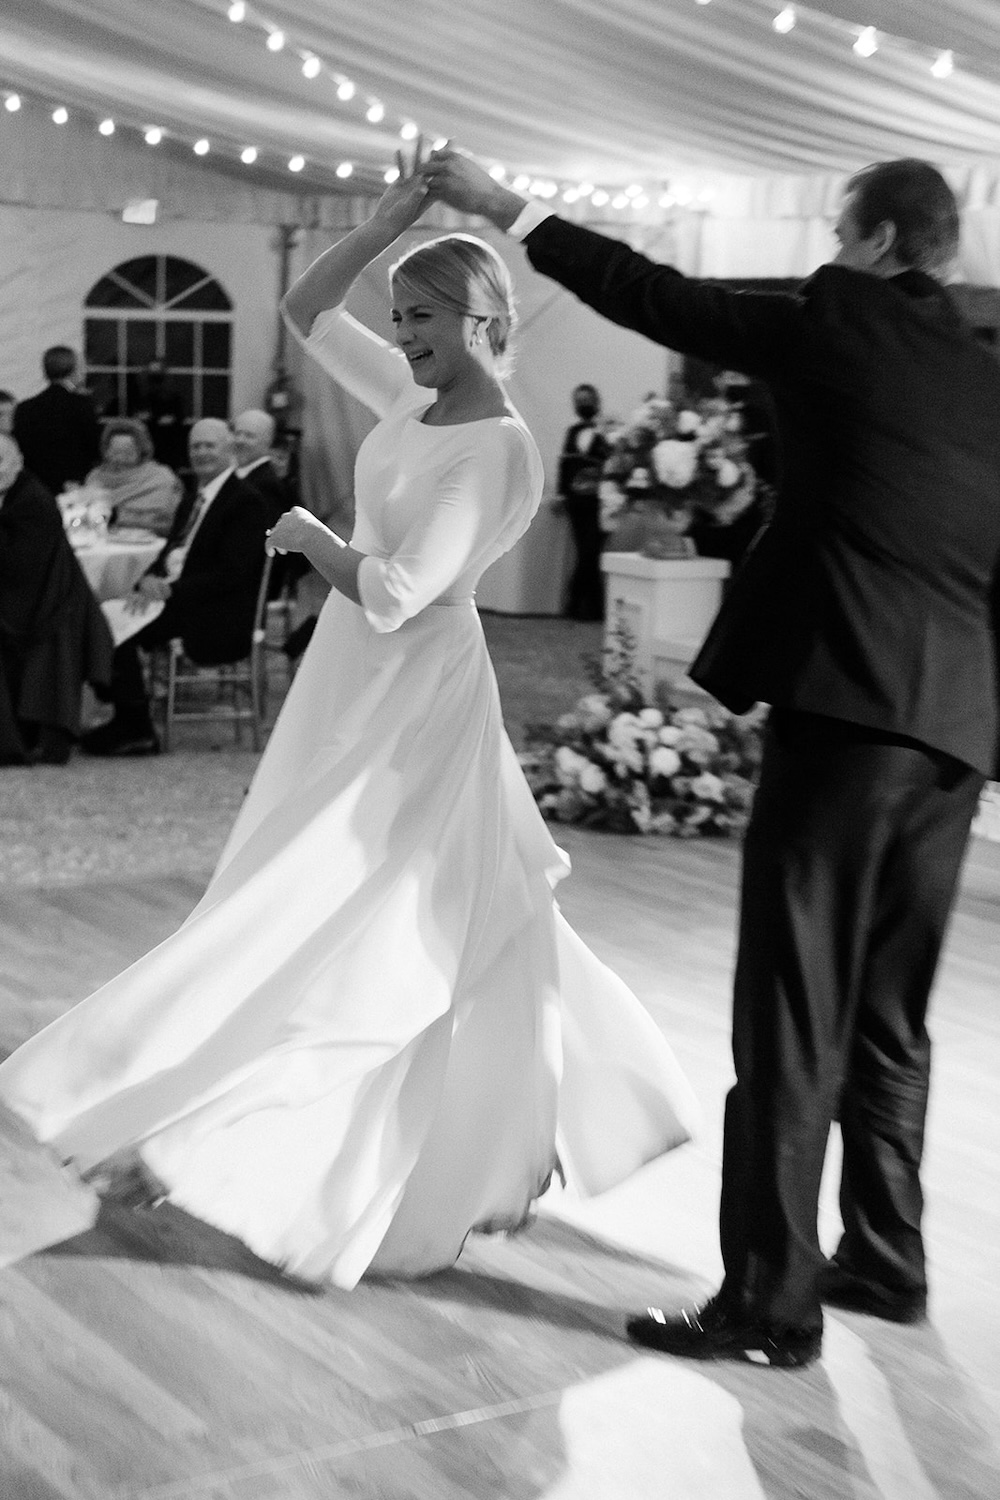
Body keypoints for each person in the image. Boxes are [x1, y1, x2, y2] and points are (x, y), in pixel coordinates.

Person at [0, 160, 698, 1288]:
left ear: (482, 323)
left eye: (422, 319)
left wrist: (305, 534)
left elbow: (397, 589)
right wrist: (388, 223)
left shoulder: (497, 442)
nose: (404, 336)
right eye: (402, 318)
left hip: (417, 687)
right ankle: (240, 1111)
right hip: (356, 679)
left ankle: (290, 1141)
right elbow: (304, 310)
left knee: (363, 900)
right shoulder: (418, 401)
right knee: (304, 879)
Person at [423, 149, 1000, 1367]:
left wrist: (502, 209)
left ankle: (768, 1302)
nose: (829, 258)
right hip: (956, 733)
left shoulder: (838, 320)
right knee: (890, 1014)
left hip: (846, 713)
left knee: (791, 1009)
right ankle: (884, 1260)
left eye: (841, 236)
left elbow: (659, 297)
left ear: (881, 243)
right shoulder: (981, 370)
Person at [80, 419, 267, 757]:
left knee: (111, 623)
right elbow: (169, 552)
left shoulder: (245, 502)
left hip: (216, 612)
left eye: (210, 445)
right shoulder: (196, 496)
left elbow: (232, 574)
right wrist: (148, 578)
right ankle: (129, 717)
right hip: (182, 600)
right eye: (196, 446)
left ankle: (136, 728)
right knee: (104, 614)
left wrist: (170, 591)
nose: (201, 453)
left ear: (229, 449)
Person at [0, 434, 113, 764]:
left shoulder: (32, 501)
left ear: (18, 463)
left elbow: (20, 568)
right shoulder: (13, 495)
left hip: (46, 609)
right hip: (30, 599)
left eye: (1, 463)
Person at [13, 346, 101, 497]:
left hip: (35, 487)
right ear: (74, 369)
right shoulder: (81, 405)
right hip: (73, 486)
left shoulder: (25, 407)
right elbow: (93, 447)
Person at [557, 383, 609, 620]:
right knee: (586, 552)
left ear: (596, 401)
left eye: (587, 399)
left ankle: (575, 602)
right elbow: (565, 464)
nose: (583, 403)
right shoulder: (572, 431)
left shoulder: (607, 431)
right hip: (577, 502)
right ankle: (594, 608)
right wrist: (562, 494)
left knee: (590, 552)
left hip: (601, 500)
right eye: (579, 400)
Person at [84, 418, 183, 537]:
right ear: (105, 452)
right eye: (115, 452)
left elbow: (168, 522)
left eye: (127, 453)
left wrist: (119, 516)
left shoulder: (161, 478)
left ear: (141, 452)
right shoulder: (95, 478)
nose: (120, 459)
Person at [231, 409, 289, 526]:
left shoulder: (266, 485)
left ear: (267, 441)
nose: (240, 440)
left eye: (249, 436)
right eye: (237, 433)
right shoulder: (240, 476)